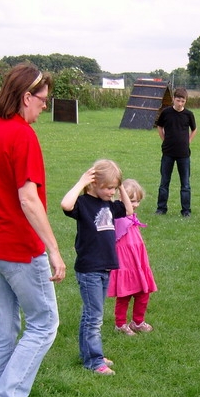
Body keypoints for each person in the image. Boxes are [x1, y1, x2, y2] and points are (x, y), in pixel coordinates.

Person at [0, 65, 66, 397]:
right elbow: (28, 198)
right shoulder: (21, 135)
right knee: (44, 323)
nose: (44, 107)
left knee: (2, 325)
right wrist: (53, 250)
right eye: (42, 100)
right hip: (15, 248)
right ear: (26, 97)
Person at [61, 160, 133, 375]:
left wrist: (119, 185)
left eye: (114, 188)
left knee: (91, 314)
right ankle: (93, 361)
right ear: (93, 184)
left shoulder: (109, 204)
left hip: (104, 268)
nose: (111, 192)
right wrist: (82, 181)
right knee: (94, 317)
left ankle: (89, 354)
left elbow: (128, 210)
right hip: (89, 268)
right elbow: (66, 204)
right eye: (107, 187)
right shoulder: (83, 203)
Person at [108, 179, 158, 336]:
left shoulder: (131, 218)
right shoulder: (116, 219)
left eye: (137, 201)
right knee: (124, 295)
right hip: (124, 265)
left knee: (143, 292)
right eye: (131, 201)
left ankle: (137, 322)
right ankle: (120, 324)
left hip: (138, 263)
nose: (135, 204)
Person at [155, 87, 197, 217]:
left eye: (183, 101)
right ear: (173, 99)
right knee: (164, 182)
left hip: (183, 154)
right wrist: (164, 139)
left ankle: (186, 211)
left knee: (185, 184)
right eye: (178, 100)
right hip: (168, 152)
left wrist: (188, 141)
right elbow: (159, 126)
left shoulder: (188, 114)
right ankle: (161, 208)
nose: (180, 103)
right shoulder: (166, 112)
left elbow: (194, 129)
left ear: (186, 101)